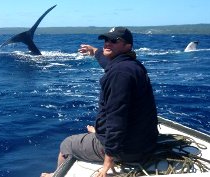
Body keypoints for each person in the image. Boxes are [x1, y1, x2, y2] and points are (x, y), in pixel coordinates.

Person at [41, 27, 158, 177]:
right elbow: (108, 63)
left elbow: (117, 119)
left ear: (127, 46)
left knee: (67, 144)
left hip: (127, 150)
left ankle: (55, 175)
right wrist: (94, 50)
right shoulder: (131, 65)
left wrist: (108, 159)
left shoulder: (119, 74)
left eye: (114, 41)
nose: (108, 43)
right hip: (145, 143)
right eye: (106, 40)